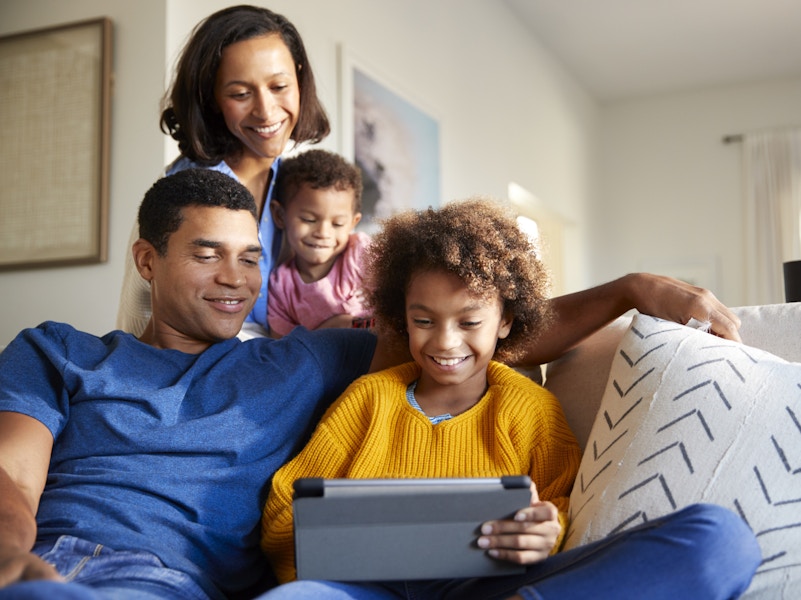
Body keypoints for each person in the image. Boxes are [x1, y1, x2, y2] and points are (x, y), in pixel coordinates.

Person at [0, 170, 755, 600]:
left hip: (179, 587)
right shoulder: (59, 351)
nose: (234, 280)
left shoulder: (303, 360)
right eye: (206, 255)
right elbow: (10, 477)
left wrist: (632, 288)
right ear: (146, 260)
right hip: (63, 561)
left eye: (249, 258)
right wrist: (13, 557)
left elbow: (478, 328)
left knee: (716, 541)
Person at [258, 199, 760, 599]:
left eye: (470, 322)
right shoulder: (368, 399)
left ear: (506, 322)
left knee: (720, 541)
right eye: (423, 320)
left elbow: (560, 504)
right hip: (365, 590)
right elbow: (285, 512)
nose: (445, 343)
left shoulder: (529, 408)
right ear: (401, 318)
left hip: (496, 586)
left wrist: (547, 531)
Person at [116, 4, 330, 338]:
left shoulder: (296, 186)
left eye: (279, 87)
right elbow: (137, 317)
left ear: (300, 79)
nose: (265, 110)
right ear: (213, 98)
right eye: (241, 94)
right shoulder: (182, 189)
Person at [267, 149, 372, 337]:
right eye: (308, 219)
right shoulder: (281, 284)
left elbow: (401, 307)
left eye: (337, 223)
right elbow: (283, 348)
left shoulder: (361, 253)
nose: (323, 233)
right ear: (280, 215)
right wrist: (331, 328)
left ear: (352, 223)